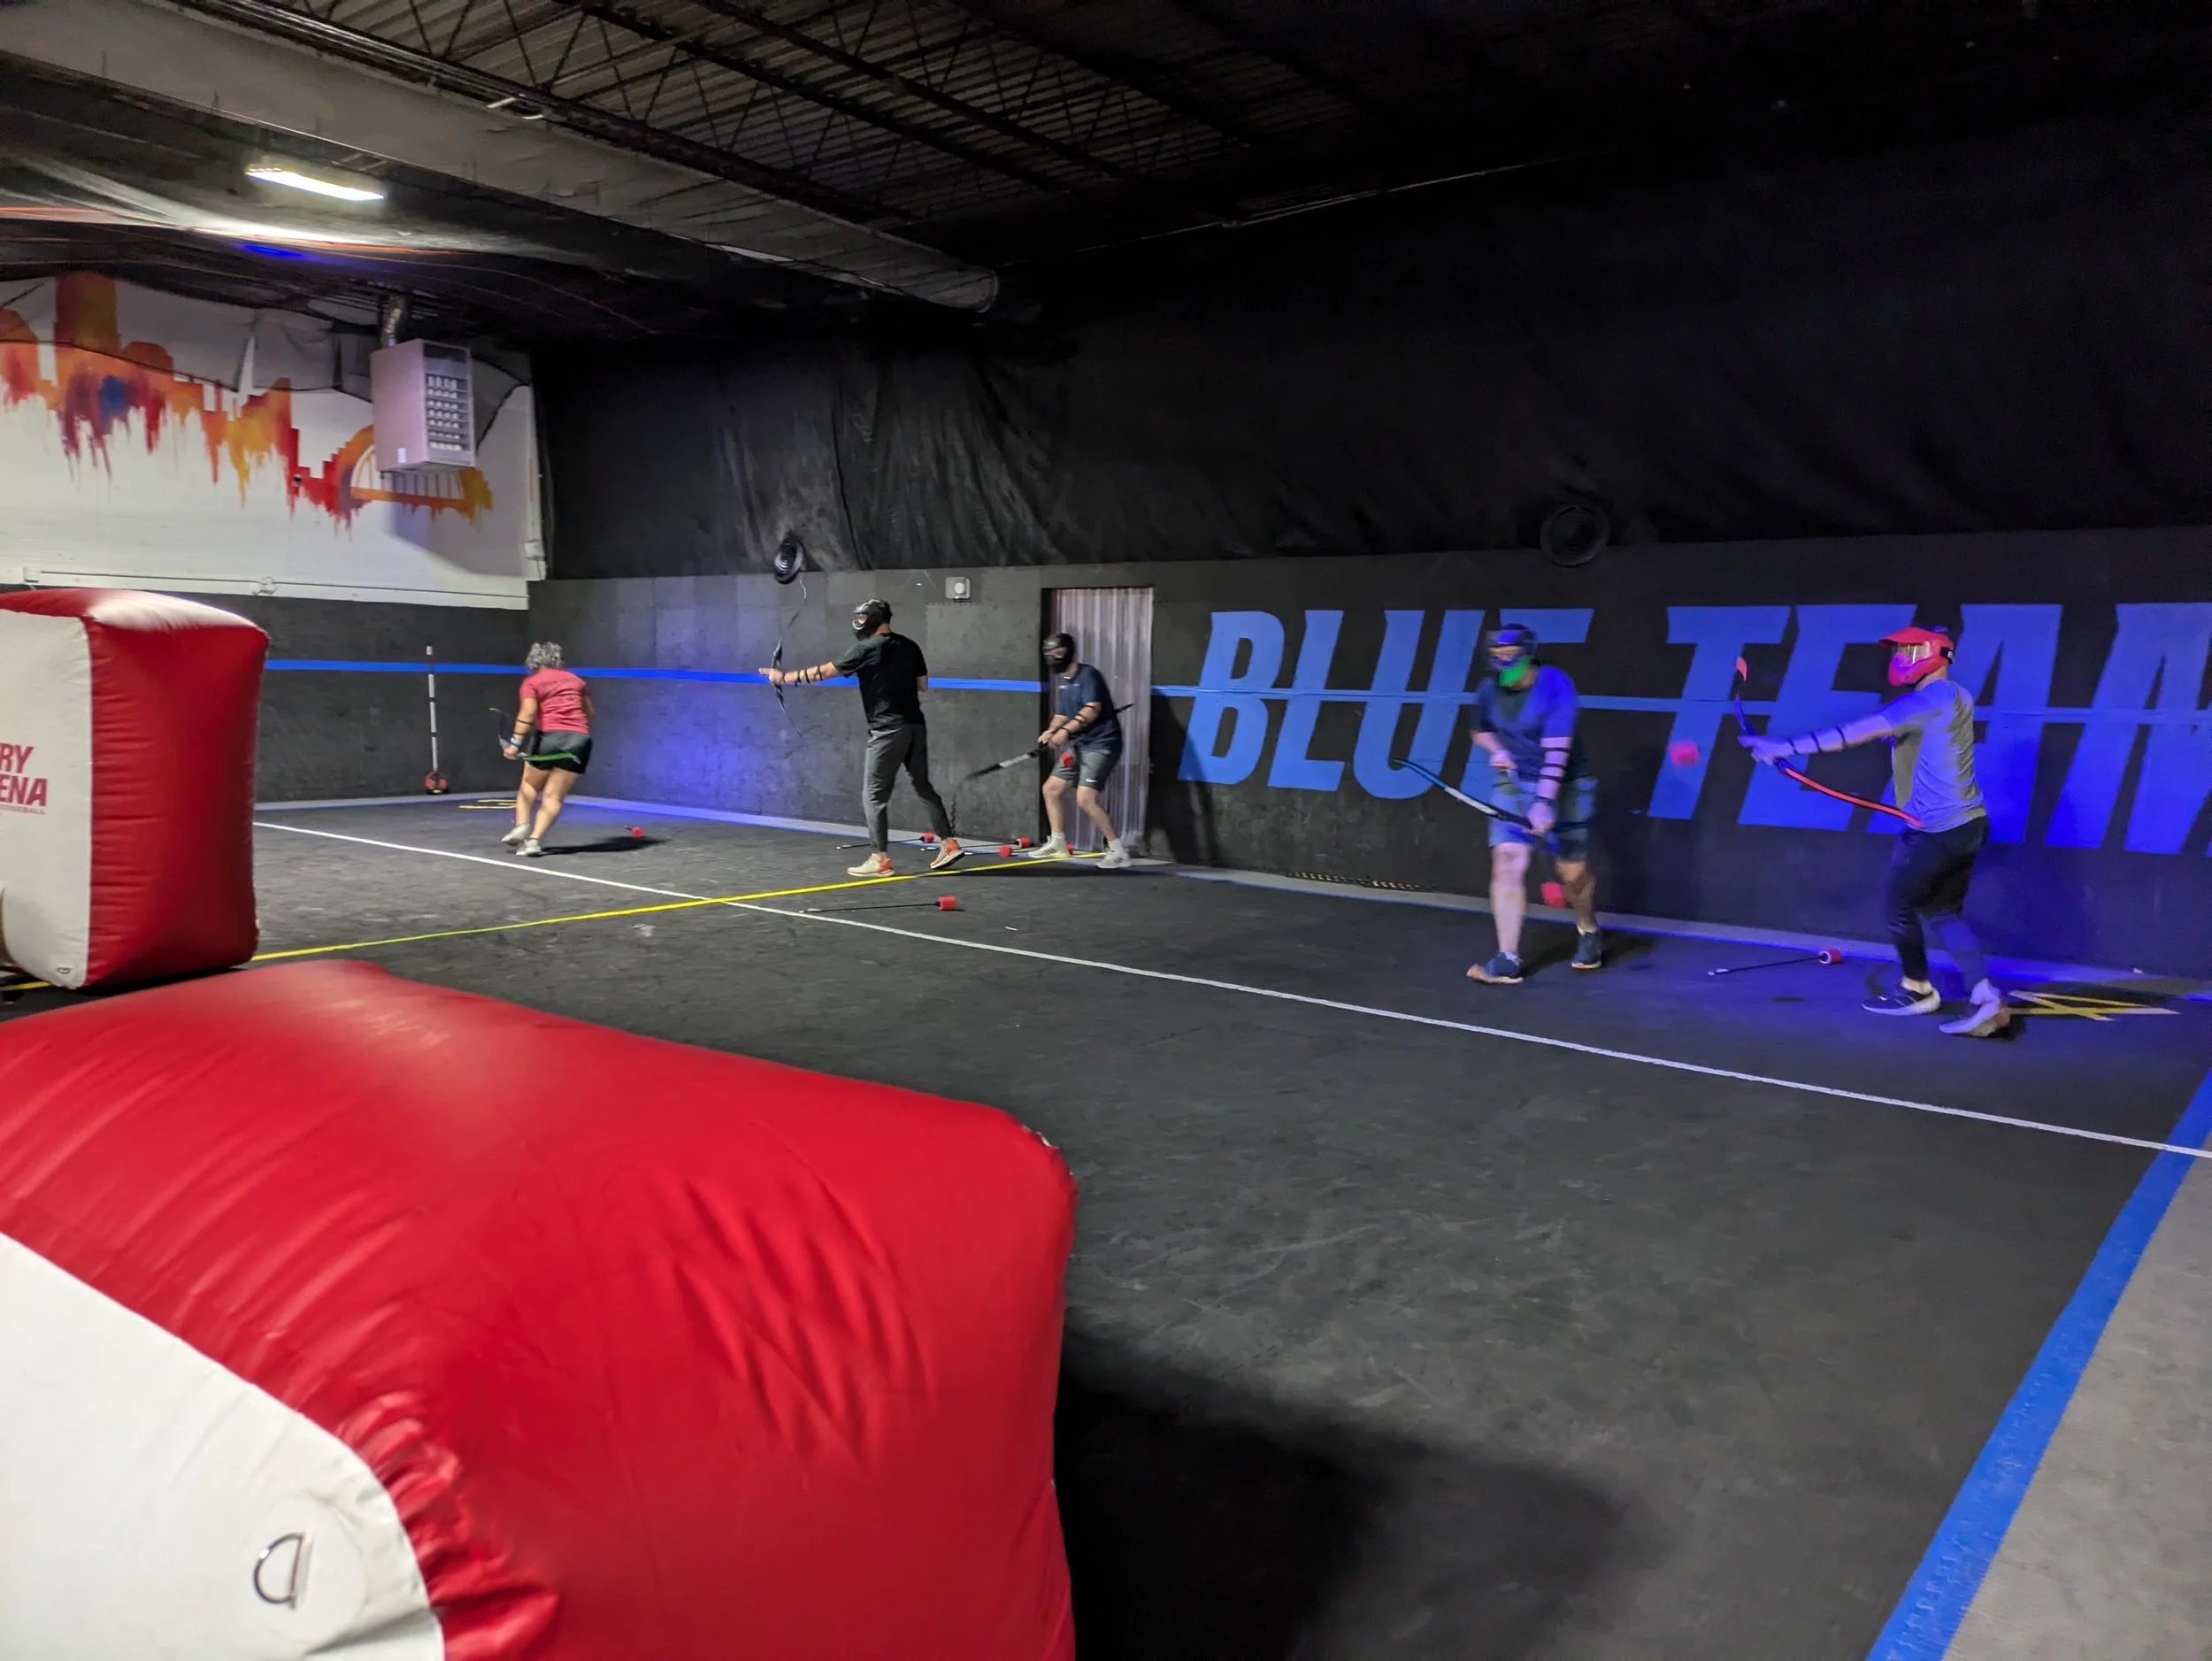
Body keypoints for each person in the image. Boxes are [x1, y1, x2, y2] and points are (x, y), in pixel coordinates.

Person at [1741, 623, 2009, 1037]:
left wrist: (1782, 747)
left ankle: (1917, 990)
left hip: (1935, 829)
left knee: (1897, 907)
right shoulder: (1957, 696)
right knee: (1941, 911)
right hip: (1969, 824)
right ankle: (1985, 995)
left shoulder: (1925, 702)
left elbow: (1853, 734)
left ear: (1932, 654)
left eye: (1908, 650)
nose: (1899, 658)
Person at [764, 598, 964, 876]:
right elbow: (923, 685)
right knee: (923, 786)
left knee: (873, 795)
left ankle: (880, 859)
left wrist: (782, 678)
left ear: (874, 618)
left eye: (862, 617)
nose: (858, 622)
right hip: (915, 726)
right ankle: (949, 843)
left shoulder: (867, 648)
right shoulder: (910, 645)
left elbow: (824, 672)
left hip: (887, 730)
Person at [1465, 623, 1602, 984]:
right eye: (1496, 660)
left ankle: (1588, 929)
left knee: (1571, 873)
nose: (1503, 670)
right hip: (1514, 782)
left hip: (1568, 784)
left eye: (1510, 660)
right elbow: (1479, 729)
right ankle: (1507, 959)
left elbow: (1557, 751)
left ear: (1528, 657)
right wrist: (1497, 750)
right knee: (1507, 861)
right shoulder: (1487, 689)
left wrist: (1543, 802)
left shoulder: (1556, 684)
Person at [1027, 633, 1132, 870]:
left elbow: (1093, 709)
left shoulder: (1088, 675)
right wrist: (1051, 731)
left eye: (1057, 654)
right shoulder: (1064, 680)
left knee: (1085, 798)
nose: (1053, 659)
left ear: (1067, 652)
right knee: (1051, 789)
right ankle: (1058, 843)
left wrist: (1065, 732)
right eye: (1049, 655)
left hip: (1102, 744)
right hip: (1080, 746)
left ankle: (1117, 851)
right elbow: (1062, 715)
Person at [503, 642, 593, 857]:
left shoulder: (532, 682)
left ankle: (522, 825)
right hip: (580, 740)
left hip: (549, 738)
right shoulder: (577, 681)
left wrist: (514, 744)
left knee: (529, 785)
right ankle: (534, 842)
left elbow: (527, 713)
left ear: (534, 661)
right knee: (553, 796)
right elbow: (589, 712)